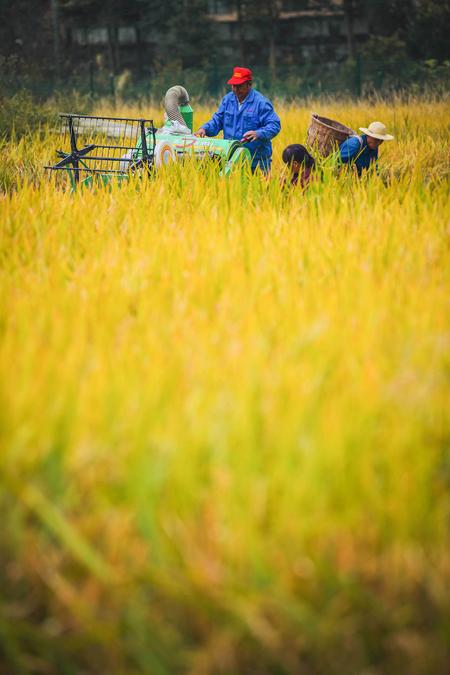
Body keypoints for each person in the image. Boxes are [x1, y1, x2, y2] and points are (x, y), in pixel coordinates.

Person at [195, 66, 281, 174]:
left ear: (249, 84)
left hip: (256, 162)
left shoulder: (261, 103)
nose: (235, 89)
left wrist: (258, 133)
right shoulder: (228, 100)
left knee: (258, 190)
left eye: (239, 86)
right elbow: (217, 120)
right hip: (231, 159)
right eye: (233, 86)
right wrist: (205, 129)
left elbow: (274, 125)